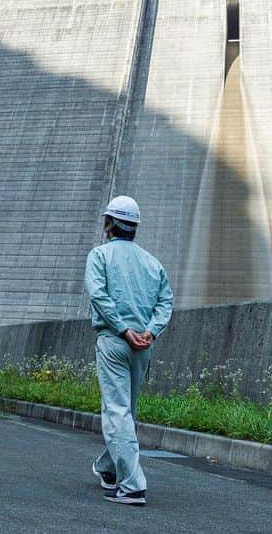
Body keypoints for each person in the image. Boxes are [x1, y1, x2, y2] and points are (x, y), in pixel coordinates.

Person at [86, 196, 173, 506]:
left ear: (110, 223)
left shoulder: (100, 256)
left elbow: (98, 295)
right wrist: (150, 330)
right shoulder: (153, 263)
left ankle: (133, 485)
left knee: (116, 411)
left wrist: (123, 329)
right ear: (135, 227)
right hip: (143, 346)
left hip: (114, 340)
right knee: (128, 411)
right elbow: (165, 302)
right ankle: (109, 468)